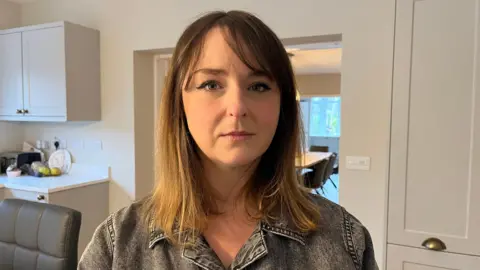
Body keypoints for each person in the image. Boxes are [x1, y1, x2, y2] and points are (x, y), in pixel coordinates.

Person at [78, 10, 378, 270]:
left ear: (281, 107)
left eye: (258, 86)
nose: (237, 107)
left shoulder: (345, 239)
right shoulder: (115, 246)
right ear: (178, 104)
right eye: (211, 84)